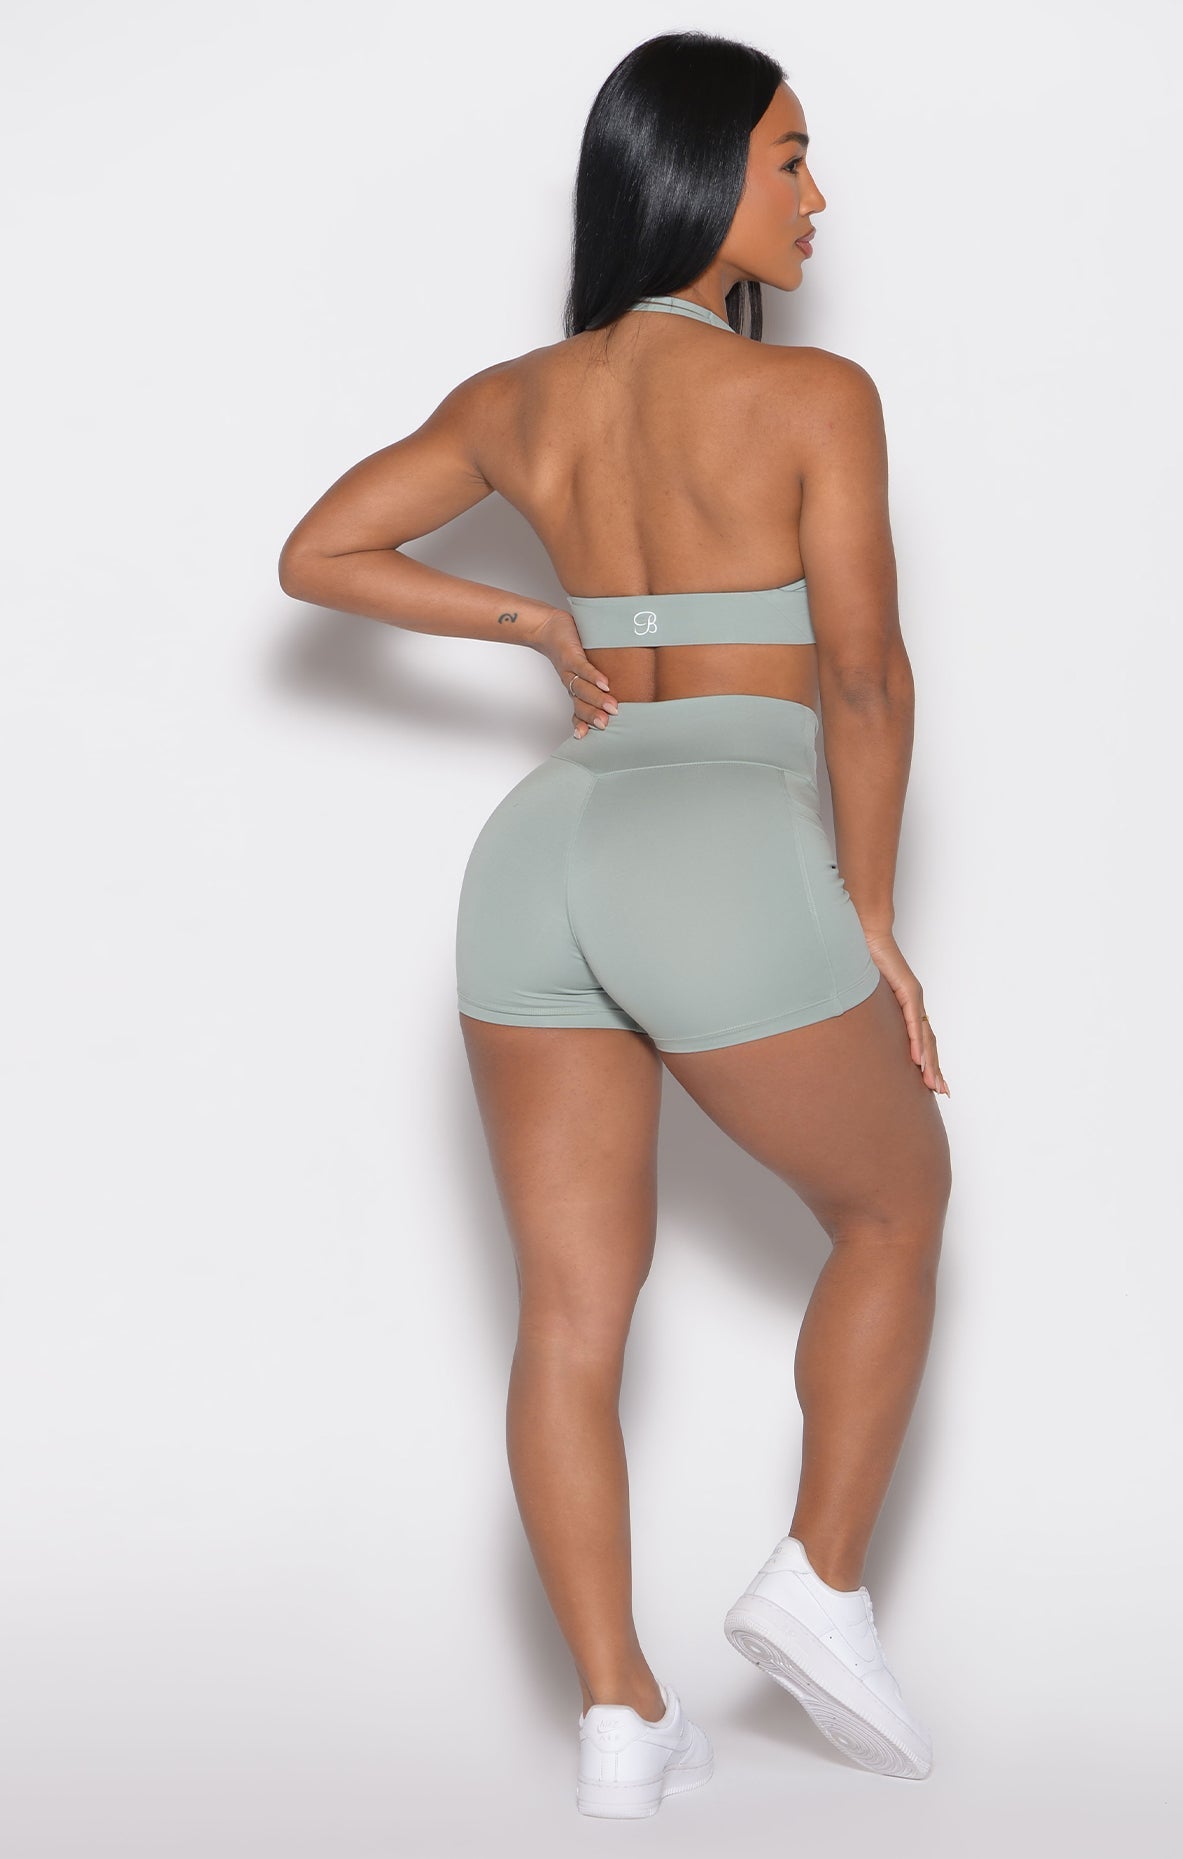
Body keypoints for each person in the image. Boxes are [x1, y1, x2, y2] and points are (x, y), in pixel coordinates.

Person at [278, 29, 952, 1821]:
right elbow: (865, 677)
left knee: (571, 1315)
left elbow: (318, 553)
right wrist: (873, 916)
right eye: (790, 158)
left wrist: (533, 625)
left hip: (544, 853)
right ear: (702, 169)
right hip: (719, 842)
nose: (817, 197)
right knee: (895, 1206)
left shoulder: (520, 399)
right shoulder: (816, 399)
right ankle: (817, 1584)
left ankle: (618, 1718)